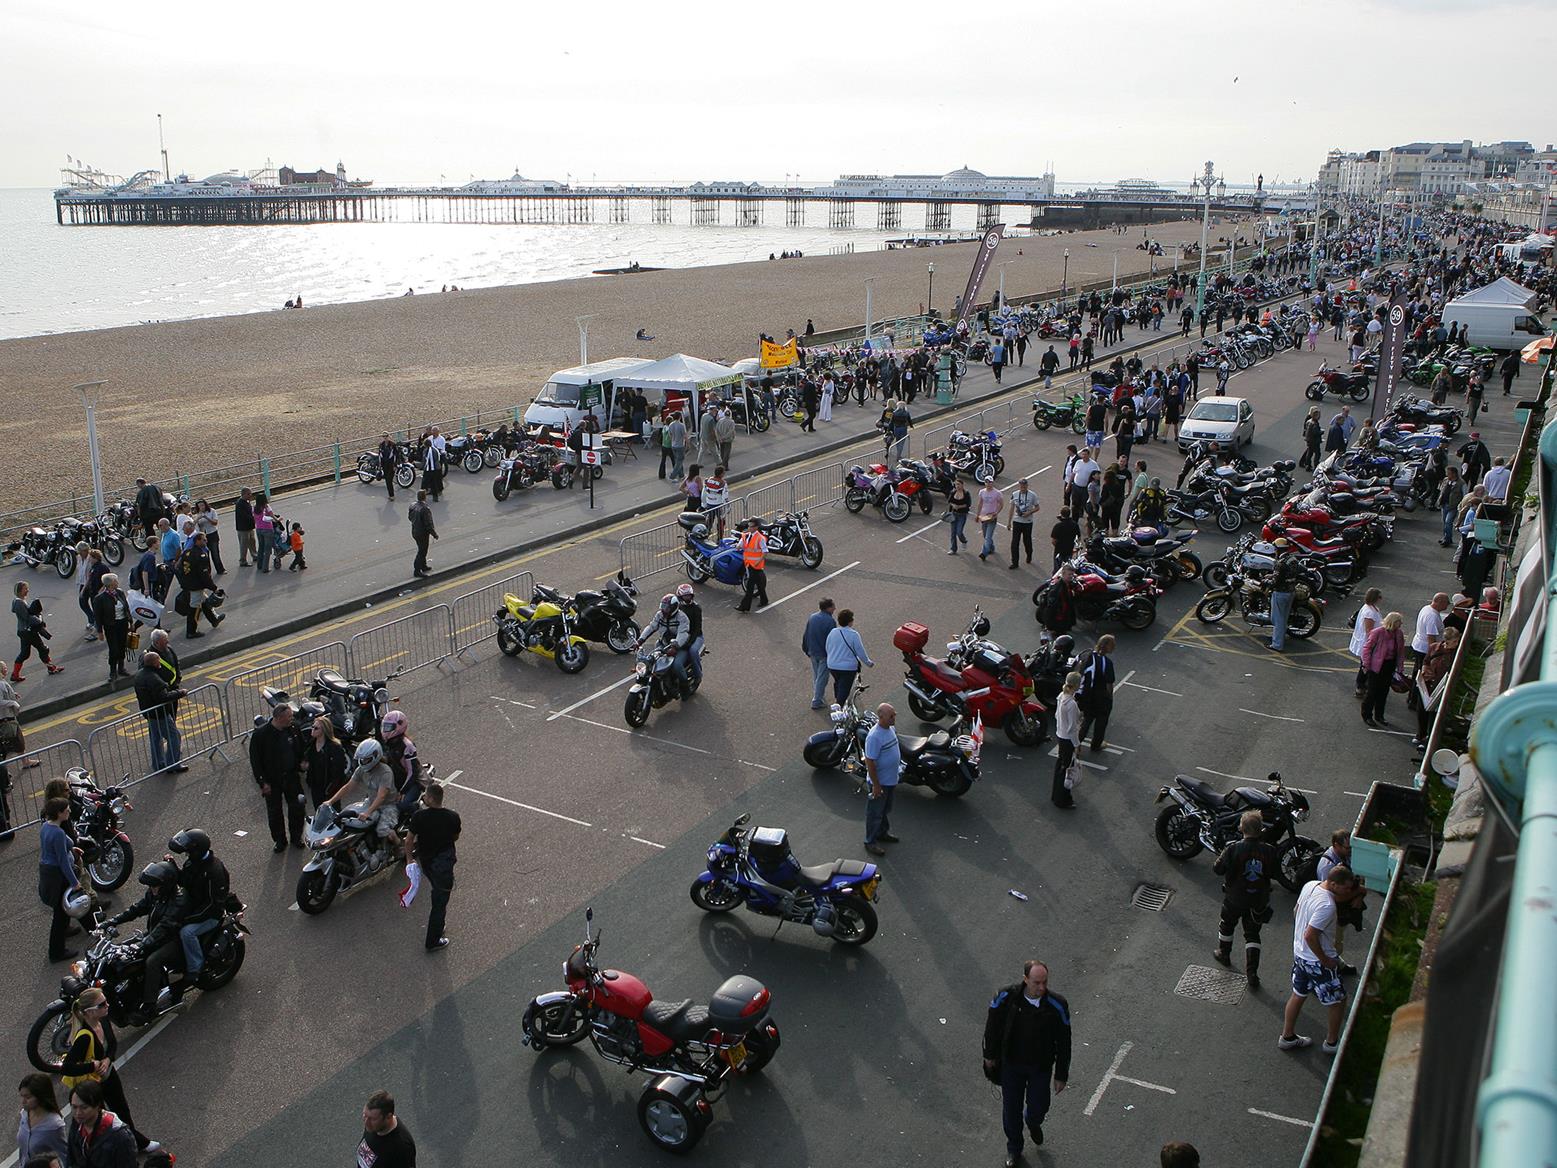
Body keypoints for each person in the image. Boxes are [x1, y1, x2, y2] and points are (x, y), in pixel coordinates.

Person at [982, 960, 1072, 1166]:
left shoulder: (1057, 1005)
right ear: (1025, 979)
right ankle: (1014, 1148)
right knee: (1010, 1109)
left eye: (1044, 982)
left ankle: (1033, 1122)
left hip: (1040, 1068)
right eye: (1036, 983)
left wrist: (1061, 1075)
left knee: (1039, 1106)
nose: (1041, 987)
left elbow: (1065, 1041)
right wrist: (989, 1055)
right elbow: (992, 1027)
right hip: (1012, 1066)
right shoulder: (1006, 997)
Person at [60, 989, 161, 1157]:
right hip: (92, 1086)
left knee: (122, 1111)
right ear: (90, 1012)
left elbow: (112, 1044)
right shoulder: (84, 1037)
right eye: (102, 1004)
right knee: (99, 1120)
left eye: (106, 1001)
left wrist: (107, 1060)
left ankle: (133, 1141)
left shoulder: (103, 1020)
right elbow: (67, 1067)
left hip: (108, 1076)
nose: (107, 1005)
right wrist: (92, 1066)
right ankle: (126, 1146)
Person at [1280, 864, 1360, 1054]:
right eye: (1346, 888)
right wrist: (1325, 959)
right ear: (1333, 884)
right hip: (1316, 960)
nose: (1348, 892)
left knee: (1298, 994)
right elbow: (1310, 935)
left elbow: (1295, 911)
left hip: (1300, 954)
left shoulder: (1311, 885)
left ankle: (1287, 1036)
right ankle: (1332, 1043)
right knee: (1338, 1000)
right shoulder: (1327, 906)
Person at [103, 861, 190, 1024]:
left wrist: (142, 945)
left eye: (154, 886)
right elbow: (136, 909)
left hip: (173, 940)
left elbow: (165, 927)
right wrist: (112, 921)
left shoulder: (179, 899)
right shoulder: (155, 894)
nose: (151, 889)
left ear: (166, 885)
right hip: (155, 935)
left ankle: (149, 1005)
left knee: (152, 961)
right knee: (121, 950)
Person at [1212, 810, 1279, 989]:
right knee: (1252, 935)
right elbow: (1275, 873)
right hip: (1258, 901)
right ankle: (1252, 973)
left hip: (1234, 898)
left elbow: (1217, 869)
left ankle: (1223, 954)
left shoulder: (1233, 848)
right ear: (1260, 829)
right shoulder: (1270, 851)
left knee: (1227, 925)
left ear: (1242, 828)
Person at [166, 826, 230, 983]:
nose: (186, 854)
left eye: (188, 851)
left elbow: (213, 905)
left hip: (210, 914)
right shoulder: (192, 863)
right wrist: (173, 867)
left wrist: (188, 919)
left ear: (196, 851)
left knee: (186, 932)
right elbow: (186, 882)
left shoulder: (214, 872)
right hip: (194, 906)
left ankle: (195, 968)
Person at [407, 782, 460, 952]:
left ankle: (438, 927)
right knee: (440, 902)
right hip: (443, 865)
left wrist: (409, 860)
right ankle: (433, 940)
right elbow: (456, 836)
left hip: (427, 862)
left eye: (426, 796)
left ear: (430, 798)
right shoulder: (452, 817)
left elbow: (408, 840)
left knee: (437, 893)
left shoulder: (418, 817)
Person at [249, 702, 306, 852]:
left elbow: (301, 747)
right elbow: (256, 761)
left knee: (297, 808)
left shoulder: (293, 729)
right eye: (289, 717)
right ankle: (280, 840)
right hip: (272, 780)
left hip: (291, 776)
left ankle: (296, 837)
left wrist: (302, 762)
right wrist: (262, 783)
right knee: (275, 812)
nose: (291, 719)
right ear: (279, 718)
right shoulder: (260, 735)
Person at [326, 739, 403, 846]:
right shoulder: (361, 769)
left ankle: (399, 846)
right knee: (346, 819)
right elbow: (348, 787)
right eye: (361, 760)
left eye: (366, 760)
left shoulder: (385, 772)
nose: (362, 762)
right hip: (370, 802)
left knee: (383, 830)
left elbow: (381, 796)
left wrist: (367, 812)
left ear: (375, 756)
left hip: (387, 805)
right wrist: (330, 802)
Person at [38, 797, 81, 962]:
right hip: (57, 876)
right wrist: (74, 882)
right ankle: (57, 952)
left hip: (48, 873)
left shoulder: (46, 827)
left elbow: (65, 842)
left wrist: (71, 846)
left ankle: (76, 930)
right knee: (61, 914)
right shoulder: (58, 833)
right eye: (66, 810)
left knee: (62, 911)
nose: (69, 812)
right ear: (59, 813)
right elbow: (63, 862)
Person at [64, 1081, 139, 1168]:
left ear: (97, 1106)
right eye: (74, 1107)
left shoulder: (120, 1136)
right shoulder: (77, 1123)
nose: (78, 1113)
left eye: (84, 1107)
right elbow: (71, 1157)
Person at [132, 652, 184, 774]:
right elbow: (163, 697)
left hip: (150, 713)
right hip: (160, 714)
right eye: (158, 660)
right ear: (154, 662)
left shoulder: (140, 674)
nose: (160, 662)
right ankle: (172, 764)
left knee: (155, 739)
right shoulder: (154, 679)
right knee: (174, 736)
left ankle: (158, 764)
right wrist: (180, 693)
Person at [862, 702, 901, 857]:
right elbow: (870, 762)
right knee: (875, 813)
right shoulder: (874, 737)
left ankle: (882, 832)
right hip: (881, 783)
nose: (894, 717)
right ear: (881, 717)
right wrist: (876, 786)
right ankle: (870, 841)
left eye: (894, 714)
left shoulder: (891, 728)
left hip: (891, 780)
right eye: (891, 716)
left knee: (885, 809)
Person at [1360, 611, 1406, 727]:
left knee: (1383, 692)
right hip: (1376, 667)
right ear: (1393, 622)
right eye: (1399, 622)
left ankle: (1379, 716)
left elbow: (1400, 652)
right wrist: (1366, 664)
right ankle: (1367, 715)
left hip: (1389, 666)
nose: (1401, 624)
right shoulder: (1377, 632)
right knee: (1372, 692)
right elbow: (1367, 649)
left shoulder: (1398, 634)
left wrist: (1400, 667)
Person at [12, 582, 63, 682]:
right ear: (20, 591)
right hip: (28, 631)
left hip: (24, 631)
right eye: (25, 589)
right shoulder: (19, 603)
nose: (27, 590)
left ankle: (15, 674)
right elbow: (27, 617)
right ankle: (51, 668)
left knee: (25, 653)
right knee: (43, 649)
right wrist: (39, 620)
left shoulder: (18, 601)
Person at [301, 715, 349, 811]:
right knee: (318, 811)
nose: (313, 729)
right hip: (316, 786)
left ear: (324, 730)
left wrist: (333, 786)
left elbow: (339, 769)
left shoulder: (334, 747)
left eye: (316, 728)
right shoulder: (311, 745)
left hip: (330, 788)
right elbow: (307, 760)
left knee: (332, 813)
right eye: (313, 726)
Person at [16, 1073, 67, 1165]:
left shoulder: (54, 1125)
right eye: (22, 1096)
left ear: (40, 1096)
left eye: (28, 1097)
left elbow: (65, 1155)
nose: (23, 1102)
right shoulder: (25, 1114)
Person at [825, 609, 874, 705]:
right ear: (850, 621)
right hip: (847, 668)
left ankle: (837, 700)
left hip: (832, 665)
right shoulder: (853, 634)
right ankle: (839, 707)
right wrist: (868, 663)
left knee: (838, 682)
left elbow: (827, 647)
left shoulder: (833, 632)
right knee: (844, 688)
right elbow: (860, 652)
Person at [356, 1090, 416, 1168]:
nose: (366, 1122)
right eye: (365, 1115)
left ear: (388, 1116)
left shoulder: (403, 1147)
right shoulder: (373, 1126)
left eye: (373, 1119)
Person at [1076, 635, 1116, 752]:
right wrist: (1109, 699)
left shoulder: (1088, 656)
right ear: (1106, 646)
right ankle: (1096, 744)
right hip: (1101, 697)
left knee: (1087, 720)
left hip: (1087, 695)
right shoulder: (1107, 663)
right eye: (1112, 645)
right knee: (1101, 721)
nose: (1114, 647)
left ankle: (1077, 743)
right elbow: (1109, 684)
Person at [89, 575, 131, 684]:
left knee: (122, 646)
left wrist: (130, 622)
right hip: (111, 626)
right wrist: (99, 631)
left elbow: (126, 607)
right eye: (116, 580)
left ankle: (121, 668)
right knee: (114, 649)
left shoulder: (120, 592)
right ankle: (113, 672)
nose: (117, 582)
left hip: (123, 624)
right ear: (111, 583)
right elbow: (97, 616)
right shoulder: (100, 598)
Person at [1051, 672, 1081, 809]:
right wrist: (1077, 745)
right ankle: (1063, 799)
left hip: (1060, 735)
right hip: (1068, 740)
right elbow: (1072, 728)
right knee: (1067, 770)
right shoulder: (1072, 704)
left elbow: (1057, 716)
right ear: (1076, 685)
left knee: (1060, 766)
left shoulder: (1060, 697)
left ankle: (1056, 795)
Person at [1348, 587, 1384, 699]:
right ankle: (1360, 687)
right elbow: (1369, 631)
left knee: (1366, 665)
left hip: (1369, 642)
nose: (1381, 599)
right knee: (1365, 666)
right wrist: (1373, 644)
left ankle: (1364, 685)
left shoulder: (1371, 608)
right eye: (1380, 597)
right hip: (1368, 643)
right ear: (1376, 598)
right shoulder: (1369, 612)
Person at [802, 598, 837, 710]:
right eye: (833, 606)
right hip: (824, 653)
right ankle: (817, 700)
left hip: (812, 651)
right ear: (828, 608)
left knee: (817, 676)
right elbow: (832, 640)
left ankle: (819, 696)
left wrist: (806, 648)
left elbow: (806, 634)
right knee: (822, 678)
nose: (834, 608)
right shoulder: (830, 621)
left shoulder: (812, 617)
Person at [1267, 538, 1300, 652]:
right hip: (1290, 592)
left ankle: (1277, 644)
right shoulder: (1293, 559)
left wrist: (1266, 581)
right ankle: (1280, 638)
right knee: (1284, 618)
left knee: (1277, 620)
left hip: (1280, 593)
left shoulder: (1280, 563)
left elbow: (1275, 582)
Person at [1410, 592, 1449, 676]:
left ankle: (1414, 687)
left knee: (1417, 671)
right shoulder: (1432, 616)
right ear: (1439, 602)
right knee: (1423, 674)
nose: (1448, 605)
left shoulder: (1426, 608)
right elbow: (1431, 637)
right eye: (1447, 602)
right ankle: (1416, 688)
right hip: (1424, 650)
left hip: (1418, 645)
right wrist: (1434, 653)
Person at [734, 520, 769, 613]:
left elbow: (765, 551)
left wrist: (758, 561)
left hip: (756, 565)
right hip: (748, 564)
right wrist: (737, 546)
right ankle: (764, 600)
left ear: (756, 527)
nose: (749, 528)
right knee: (760, 584)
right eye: (749, 526)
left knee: (750, 587)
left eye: (751, 526)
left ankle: (744, 606)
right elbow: (740, 546)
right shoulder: (745, 536)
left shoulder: (760, 538)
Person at [1006, 478, 1039, 570]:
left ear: (1027, 486)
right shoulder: (1015, 494)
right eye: (1021, 486)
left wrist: (1029, 512)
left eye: (1024, 485)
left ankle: (1029, 554)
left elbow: (1037, 507)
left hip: (1027, 522)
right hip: (1017, 521)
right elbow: (1011, 508)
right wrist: (1009, 522)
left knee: (1027, 541)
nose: (1023, 487)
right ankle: (1014, 562)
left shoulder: (1032, 495)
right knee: (1014, 542)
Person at [408, 490, 438, 578]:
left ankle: (423, 565)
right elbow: (428, 523)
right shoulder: (425, 508)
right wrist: (434, 534)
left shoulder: (413, 505)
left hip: (415, 531)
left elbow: (409, 517)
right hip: (422, 533)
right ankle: (417, 570)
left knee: (422, 549)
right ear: (424, 497)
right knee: (422, 551)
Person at [1437, 466, 1466, 547]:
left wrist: (1461, 506)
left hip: (1452, 507)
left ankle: (1447, 540)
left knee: (1448, 522)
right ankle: (1446, 537)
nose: (1447, 475)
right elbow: (1441, 490)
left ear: (1454, 474)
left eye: (1449, 473)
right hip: (1444, 504)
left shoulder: (1461, 483)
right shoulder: (1446, 480)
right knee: (1444, 522)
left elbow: (1464, 495)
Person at [975, 481, 1004, 562]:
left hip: (992, 518)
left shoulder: (997, 493)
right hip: (984, 517)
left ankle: (984, 553)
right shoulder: (982, 492)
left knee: (988, 537)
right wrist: (978, 515)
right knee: (985, 535)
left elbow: (1001, 504)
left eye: (990, 482)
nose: (988, 484)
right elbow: (980, 503)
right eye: (987, 482)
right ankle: (991, 547)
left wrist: (996, 512)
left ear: (992, 483)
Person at [1049, 507, 1081, 571]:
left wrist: (1058, 546)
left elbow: (1053, 541)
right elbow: (1078, 538)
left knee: (1057, 569)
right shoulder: (1074, 524)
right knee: (1067, 567)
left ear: (1061, 514)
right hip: (1069, 549)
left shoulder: (1058, 526)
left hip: (1059, 550)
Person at [946, 477, 971, 555]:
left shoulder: (966, 493)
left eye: (959, 484)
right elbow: (949, 501)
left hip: (962, 515)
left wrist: (959, 507)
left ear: (962, 485)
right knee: (953, 533)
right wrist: (953, 505)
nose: (957, 486)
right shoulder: (953, 492)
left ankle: (964, 541)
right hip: (954, 514)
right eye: (956, 484)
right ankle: (953, 549)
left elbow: (968, 504)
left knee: (959, 532)